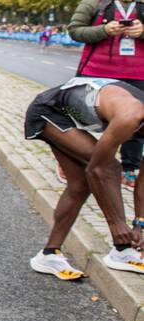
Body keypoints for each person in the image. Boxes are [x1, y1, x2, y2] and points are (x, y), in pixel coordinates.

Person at [25, 76, 144, 279]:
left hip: (72, 114)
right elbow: (96, 170)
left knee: (79, 185)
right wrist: (117, 223)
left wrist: (140, 223)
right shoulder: (130, 114)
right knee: (110, 168)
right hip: (48, 110)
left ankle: (48, 254)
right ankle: (121, 248)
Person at [68, 0, 144, 190]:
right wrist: (103, 30)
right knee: (83, 119)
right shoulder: (96, 1)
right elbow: (75, 30)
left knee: (136, 124)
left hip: (137, 73)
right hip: (96, 72)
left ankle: (129, 169)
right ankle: (76, 160)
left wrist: (142, 32)